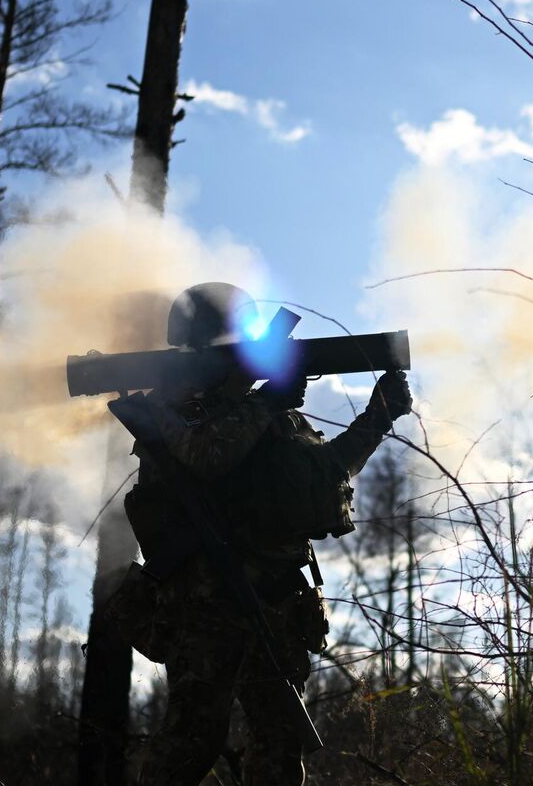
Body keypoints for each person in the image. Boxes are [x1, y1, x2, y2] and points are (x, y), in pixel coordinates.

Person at [107, 282, 411, 785]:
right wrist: (265, 402)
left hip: (277, 602)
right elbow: (207, 457)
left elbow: (322, 477)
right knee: (192, 742)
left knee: (277, 745)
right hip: (207, 606)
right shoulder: (170, 409)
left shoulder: (266, 412)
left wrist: (377, 418)